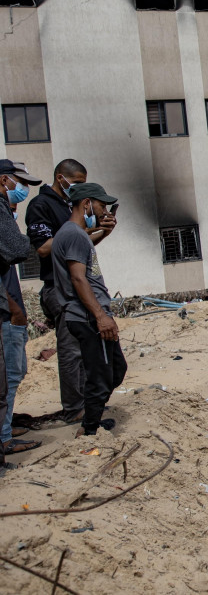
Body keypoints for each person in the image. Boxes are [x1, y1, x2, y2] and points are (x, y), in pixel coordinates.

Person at [24, 159, 98, 424]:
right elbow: (43, 248)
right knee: (70, 350)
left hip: (75, 285)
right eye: (76, 182)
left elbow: (79, 247)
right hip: (58, 287)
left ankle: (84, 402)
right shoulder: (41, 205)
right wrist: (77, 230)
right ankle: (73, 407)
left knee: (82, 348)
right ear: (60, 178)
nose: (79, 188)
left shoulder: (68, 206)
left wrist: (100, 231)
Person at [50, 183, 125, 437]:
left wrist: (103, 233)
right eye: (101, 205)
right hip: (87, 316)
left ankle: (92, 417)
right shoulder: (73, 235)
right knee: (101, 374)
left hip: (90, 314)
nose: (104, 211)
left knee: (115, 368)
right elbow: (79, 279)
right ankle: (89, 429)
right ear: (86, 204)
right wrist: (100, 316)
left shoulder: (75, 234)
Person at [2, 161, 41, 454]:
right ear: (4, 181)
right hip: (6, 312)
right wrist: (14, 309)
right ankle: (4, 437)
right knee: (9, 376)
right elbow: (18, 250)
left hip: (8, 308)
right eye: (18, 182)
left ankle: (5, 427)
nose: (22, 189)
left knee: (12, 376)